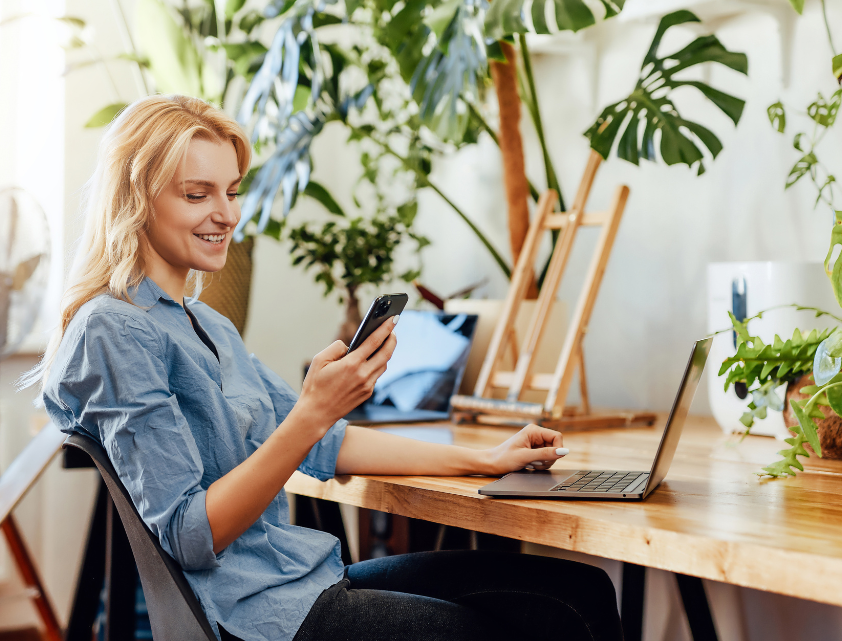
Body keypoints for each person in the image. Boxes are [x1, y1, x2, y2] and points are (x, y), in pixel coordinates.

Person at [32, 95, 623, 641]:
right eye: (196, 194)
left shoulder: (205, 324)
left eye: (231, 191)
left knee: (577, 592)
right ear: (135, 200)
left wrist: (486, 458)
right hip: (253, 615)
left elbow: (327, 442)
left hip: (299, 578)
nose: (226, 214)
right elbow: (191, 534)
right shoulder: (112, 328)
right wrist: (314, 411)